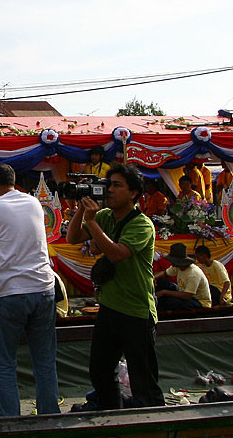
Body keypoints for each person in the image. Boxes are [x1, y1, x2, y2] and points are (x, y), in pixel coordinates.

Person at [66, 163, 165, 409]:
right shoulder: (104, 216)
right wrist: (82, 207)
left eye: (117, 185)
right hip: (109, 307)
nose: (110, 190)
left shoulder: (142, 224)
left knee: (143, 380)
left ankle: (155, 421)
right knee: (100, 372)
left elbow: (118, 253)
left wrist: (93, 221)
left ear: (133, 193)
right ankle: (112, 414)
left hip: (136, 310)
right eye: (108, 185)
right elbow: (73, 238)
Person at [0, 163, 59, 417]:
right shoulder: (33, 203)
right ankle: (50, 414)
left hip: (11, 291)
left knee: (5, 362)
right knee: (44, 360)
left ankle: (11, 418)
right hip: (43, 288)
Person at [154, 243, 211, 311]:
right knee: (162, 282)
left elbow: (187, 296)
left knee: (171, 301)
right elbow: (165, 273)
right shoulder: (177, 267)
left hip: (199, 302)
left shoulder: (193, 273)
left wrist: (164, 292)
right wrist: (154, 278)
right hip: (183, 292)